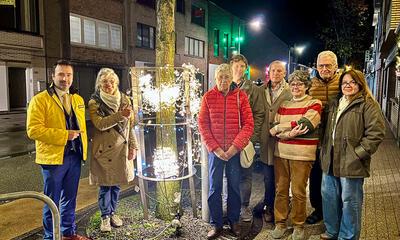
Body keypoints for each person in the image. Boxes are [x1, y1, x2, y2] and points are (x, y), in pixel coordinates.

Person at [27, 60, 90, 240]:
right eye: (61, 74)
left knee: (70, 199)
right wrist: (64, 135)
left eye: (68, 74)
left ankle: (68, 233)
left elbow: (81, 128)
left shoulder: (77, 99)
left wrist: (83, 150)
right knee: (51, 201)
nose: (65, 78)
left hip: (74, 157)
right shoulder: (40, 100)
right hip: (53, 159)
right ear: (53, 76)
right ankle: (50, 237)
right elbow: (33, 130)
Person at [320, 69, 385, 240]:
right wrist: (323, 150)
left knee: (350, 202)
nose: (347, 85)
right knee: (329, 198)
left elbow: (376, 133)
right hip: (330, 159)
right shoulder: (335, 103)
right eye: (344, 83)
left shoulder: (368, 104)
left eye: (352, 82)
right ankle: (332, 230)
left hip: (352, 161)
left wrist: (358, 154)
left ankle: (347, 236)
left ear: (360, 84)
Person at [198, 63, 254, 239]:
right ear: (215, 78)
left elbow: (248, 124)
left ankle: (233, 220)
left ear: (231, 79)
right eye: (220, 77)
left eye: (227, 77)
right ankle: (216, 224)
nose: (224, 80)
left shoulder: (241, 96)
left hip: (234, 151)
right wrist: (214, 148)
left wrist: (234, 147)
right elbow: (203, 125)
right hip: (215, 152)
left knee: (234, 187)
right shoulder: (208, 97)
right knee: (214, 188)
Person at [269, 70, 322, 240]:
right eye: (293, 84)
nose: (296, 87)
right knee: (281, 190)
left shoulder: (314, 103)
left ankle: (299, 226)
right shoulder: (284, 104)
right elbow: (275, 125)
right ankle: (280, 223)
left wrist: (282, 130)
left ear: (307, 86)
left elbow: (306, 124)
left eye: (300, 84)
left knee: (298, 191)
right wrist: (288, 132)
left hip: (302, 155)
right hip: (281, 153)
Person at [88, 68, 138, 232]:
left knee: (116, 185)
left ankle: (113, 213)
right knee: (105, 186)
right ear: (99, 84)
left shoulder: (125, 99)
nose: (108, 85)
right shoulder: (94, 102)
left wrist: (133, 146)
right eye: (104, 82)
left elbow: (130, 127)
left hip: (121, 149)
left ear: (116, 82)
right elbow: (100, 124)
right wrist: (120, 115)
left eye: (111, 81)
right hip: (104, 150)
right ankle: (105, 217)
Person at [306, 50, 341, 224]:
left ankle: (336, 211)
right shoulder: (310, 84)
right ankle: (318, 209)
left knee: (335, 178)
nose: (325, 68)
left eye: (328, 65)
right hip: (316, 141)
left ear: (335, 66)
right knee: (316, 177)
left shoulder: (344, 83)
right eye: (321, 65)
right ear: (316, 66)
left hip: (336, 142)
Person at [230, 54, 264, 222]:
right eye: (236, 65)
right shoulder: (223, 85)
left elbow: (259, 114)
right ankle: (231, 206)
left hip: (246, 139)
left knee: (245, 174)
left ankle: (244, 207)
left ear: (246, 68)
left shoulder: (254, 89)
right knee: (229, 174)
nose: (238, 69)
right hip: (227, 140)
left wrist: (252, 138)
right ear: (231, 67)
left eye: (242, 66)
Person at [257, 60, 292, 223]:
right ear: (268, 73)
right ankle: (268, 206)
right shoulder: (262, 90)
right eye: (273, 71)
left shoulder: (290, 91)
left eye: (279, 71)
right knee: (267, 178)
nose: (276, 73)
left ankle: (283, 206)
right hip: (266, 141)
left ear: (284, 73)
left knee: (283, 177)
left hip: (283, 140)